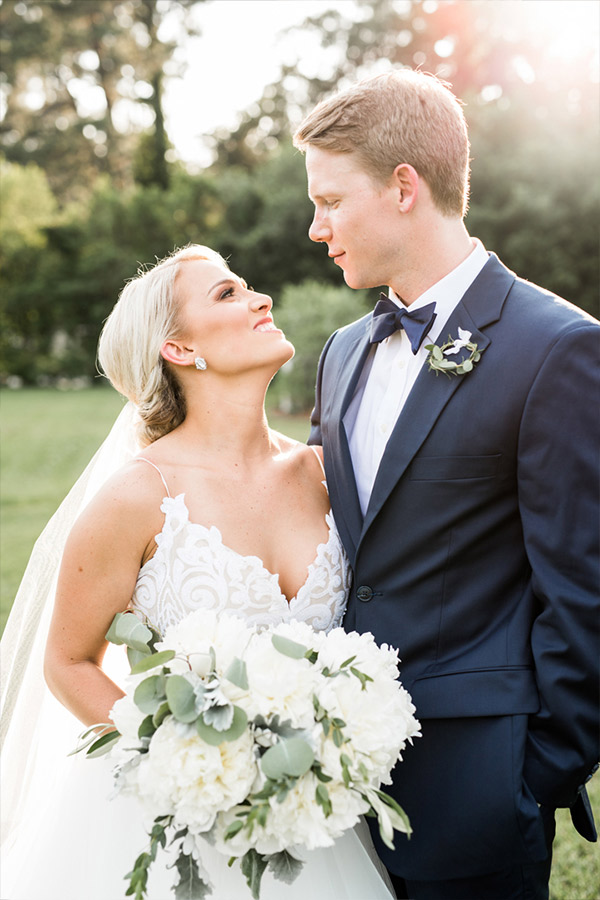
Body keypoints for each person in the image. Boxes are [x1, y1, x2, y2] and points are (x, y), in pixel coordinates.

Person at [0, 244, 394, 899]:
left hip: (311, 813)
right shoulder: (137, 496)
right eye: (227, 294)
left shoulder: (326, 473)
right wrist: (185, 759)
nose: (260, 299)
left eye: (247, 288)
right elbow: (67, 663)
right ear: (179, 350)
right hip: (173, 824)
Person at [293, 68, 599, 900]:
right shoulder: (344, 352)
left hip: (478, 790)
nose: (316, 227)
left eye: (330, 201)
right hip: (325, 794)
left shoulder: (557, 348)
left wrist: (529, 775)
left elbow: (586, 591)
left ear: (403, 187)